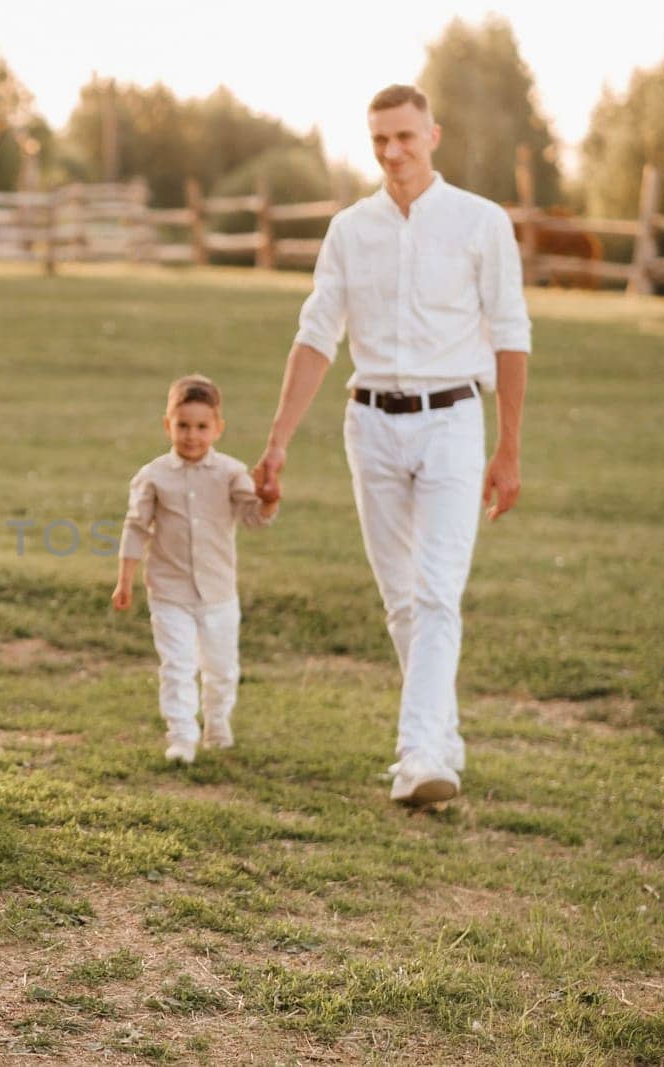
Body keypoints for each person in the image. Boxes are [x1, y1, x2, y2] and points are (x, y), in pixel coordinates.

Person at [252, 84, 530, 807]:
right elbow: (317, 334)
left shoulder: (481, 222)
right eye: (379, 139)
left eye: (405, 136)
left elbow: (511, 334)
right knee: (402, 600)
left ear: (433, 134)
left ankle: (418, 756)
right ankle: (442, 738)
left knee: (437, 592)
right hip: (369, 423)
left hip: (453, 422)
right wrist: (278, 442)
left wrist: (509, 450)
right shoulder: (350, 229)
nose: (392, 151)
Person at [112, 374, 278, 764]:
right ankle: (182, 734)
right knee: (177, 665)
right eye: (183, 425)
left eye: (202, 426)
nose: (191, 435)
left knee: (221, 668)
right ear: (168, 424)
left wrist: (268, 500)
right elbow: (135, 528)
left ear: (218, 428)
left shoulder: (231, 473)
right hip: (169, 593)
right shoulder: (153, 476)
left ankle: (217, 724)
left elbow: (255, 516)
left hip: (219, 594)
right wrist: (125, 581)